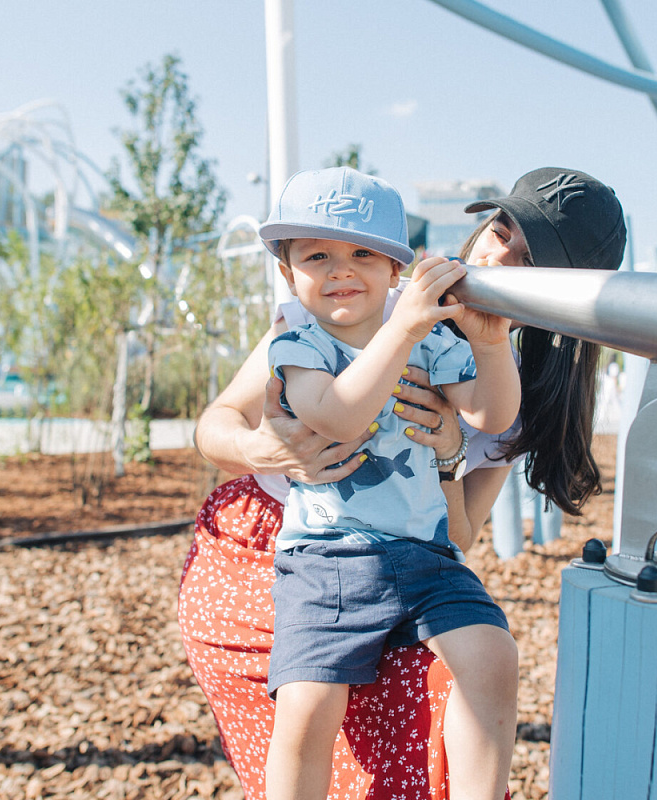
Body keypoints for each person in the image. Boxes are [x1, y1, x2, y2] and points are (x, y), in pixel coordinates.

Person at [179, 166, 627, 800]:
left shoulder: (489, 372)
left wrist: (449, 455)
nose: (501, 258)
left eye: (536, 260)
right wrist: (263, 448)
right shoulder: (349, 304)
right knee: (315, 708)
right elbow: (215, 426)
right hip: (286, 542)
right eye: (502, 230)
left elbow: (463, 530)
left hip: (412, 553)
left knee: (470, 678)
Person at [258, 166, 521, 800]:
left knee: (493, 657)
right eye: (316, 255)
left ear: (394, 272)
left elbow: (491, 415)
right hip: (329, 559)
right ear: (290, 273)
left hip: (426, 557)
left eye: (362, 254)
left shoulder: (430, 342)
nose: (340, 269)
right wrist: (404, 329)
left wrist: (489, 348)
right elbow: (339, 414)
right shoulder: (299, 343)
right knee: (307, 705)